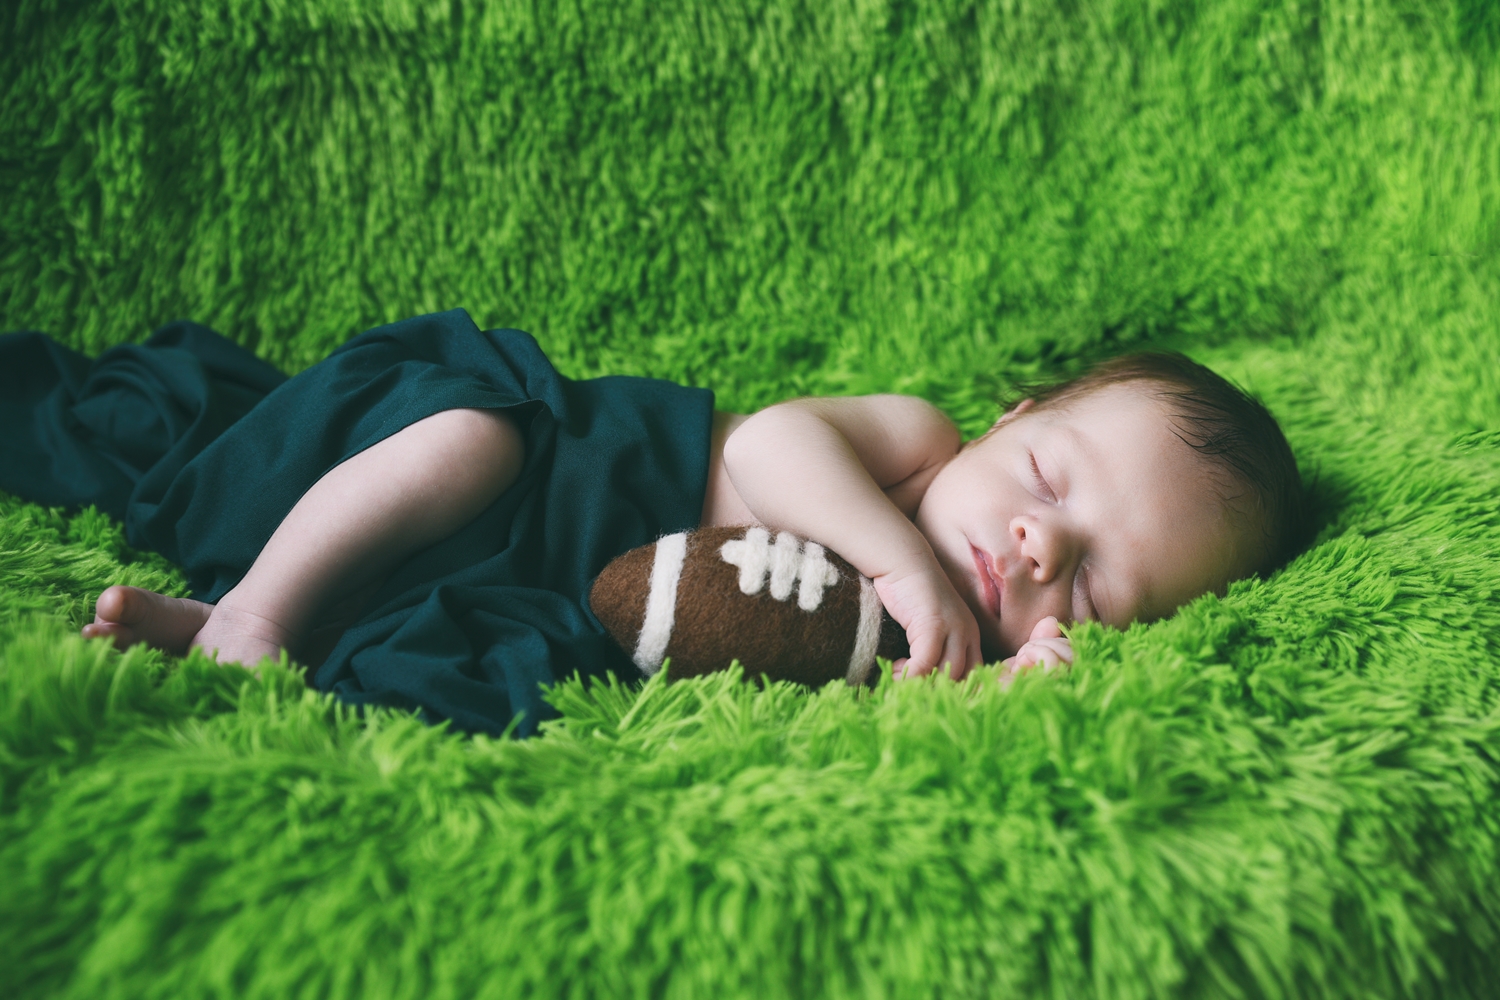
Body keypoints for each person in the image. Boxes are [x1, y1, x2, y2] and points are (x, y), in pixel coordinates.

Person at [0, 308, 1307, 735]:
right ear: (1008, 418)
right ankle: (257, 610)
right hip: (533, 469)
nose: (1041, 547)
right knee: (470, 436)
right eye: (1048, 481)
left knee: (489, 664)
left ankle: (230, 621)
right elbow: (775, 445)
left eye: (1095, 589)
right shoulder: (915, 443)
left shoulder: (940, 647)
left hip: (541, 581)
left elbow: (919, 701)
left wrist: (1019, 680)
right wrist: (901, 559)